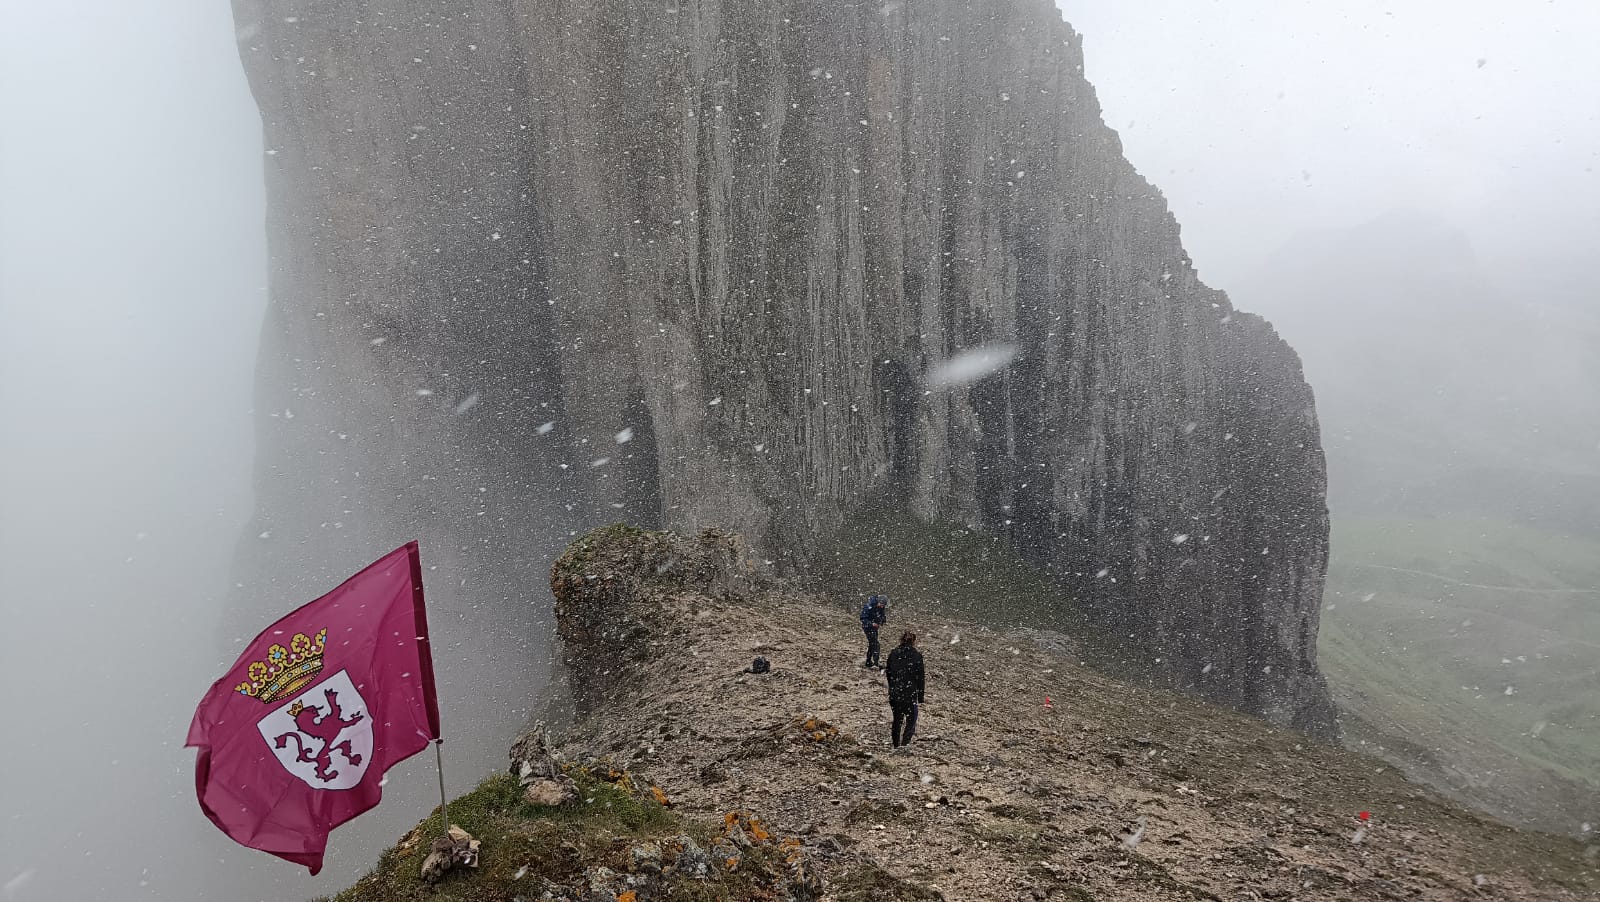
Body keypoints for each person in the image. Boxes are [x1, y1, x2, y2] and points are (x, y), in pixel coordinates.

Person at [884, 631, 925, 748]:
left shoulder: (893, 653)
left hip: (895, 692)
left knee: (897, 719)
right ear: (914, 642)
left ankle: (896, 744)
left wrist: (892, 686)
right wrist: (920, 696)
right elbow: (920, 678)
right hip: (909, 692)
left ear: (901, 640)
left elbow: (889, 672)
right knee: (911, 719)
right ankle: (905, 743)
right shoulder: (917, 656)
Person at [859, 595, 888, 668]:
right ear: (878, 602)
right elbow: (863, 618)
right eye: (881, 605)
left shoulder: (881, 607)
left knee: (872, 644)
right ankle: (875, 663)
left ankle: (868, 662)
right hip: (867, 628)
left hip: (875, 628)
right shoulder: (868, 606)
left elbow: (882, 615)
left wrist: (882, 621)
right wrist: (871, 624)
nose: (882, 607)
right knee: (875, 644)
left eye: (883, 605)